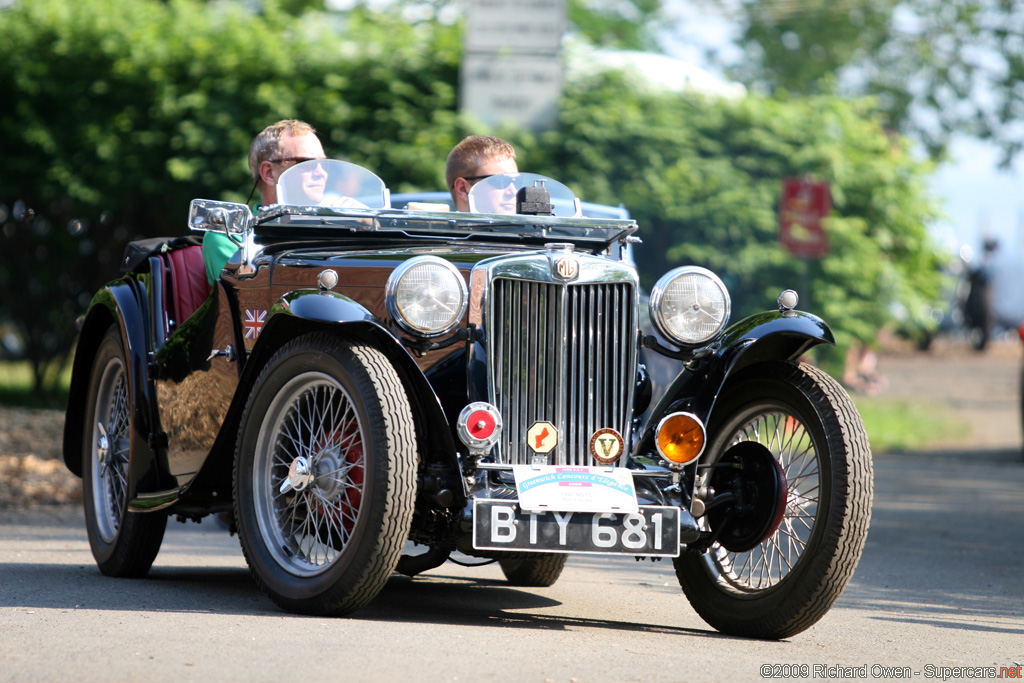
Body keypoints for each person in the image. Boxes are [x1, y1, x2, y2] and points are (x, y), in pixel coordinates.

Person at [202, 119, 326, 284]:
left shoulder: (335, 227)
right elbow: (254, 299)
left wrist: (362, 233)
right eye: (307, 163)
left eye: (323, 163)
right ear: (268, 173)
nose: (322, 172)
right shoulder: (230, 237)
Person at [445, 135, 519, 212]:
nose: (514, 192)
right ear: (463, 189)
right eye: (501, 181)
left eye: (517, 182)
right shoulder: (435, 224)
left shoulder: (529, 223)